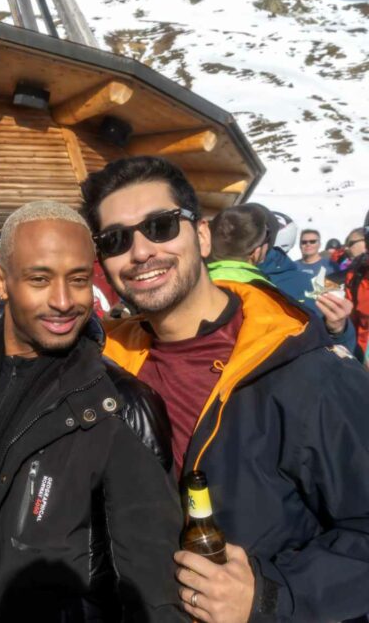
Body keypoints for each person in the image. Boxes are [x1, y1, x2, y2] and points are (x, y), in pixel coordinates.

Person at [82, 155, 369, 622]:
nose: (139, 252)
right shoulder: (103, 370)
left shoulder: (303, 369)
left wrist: (271, 596)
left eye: (160, 226)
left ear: (202, 235)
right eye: (115, 239)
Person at [0, 201, 185, 622]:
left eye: (78, 280)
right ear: (2, 282)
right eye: (40, 279)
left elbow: (153, 590)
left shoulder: (118, 405)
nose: (64, 301)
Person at [208, 205, 356, 352]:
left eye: (312, 241)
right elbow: (341, 352)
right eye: (305, 242)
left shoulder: (199, 279)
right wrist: (339, 331)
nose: (308, 245)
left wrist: (339, 329)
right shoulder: (308, 282)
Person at [344, 226, 368, 362]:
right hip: (361, 356)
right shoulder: (355, 276)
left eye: (351, 243)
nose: (347, 248)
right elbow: (353, 320)